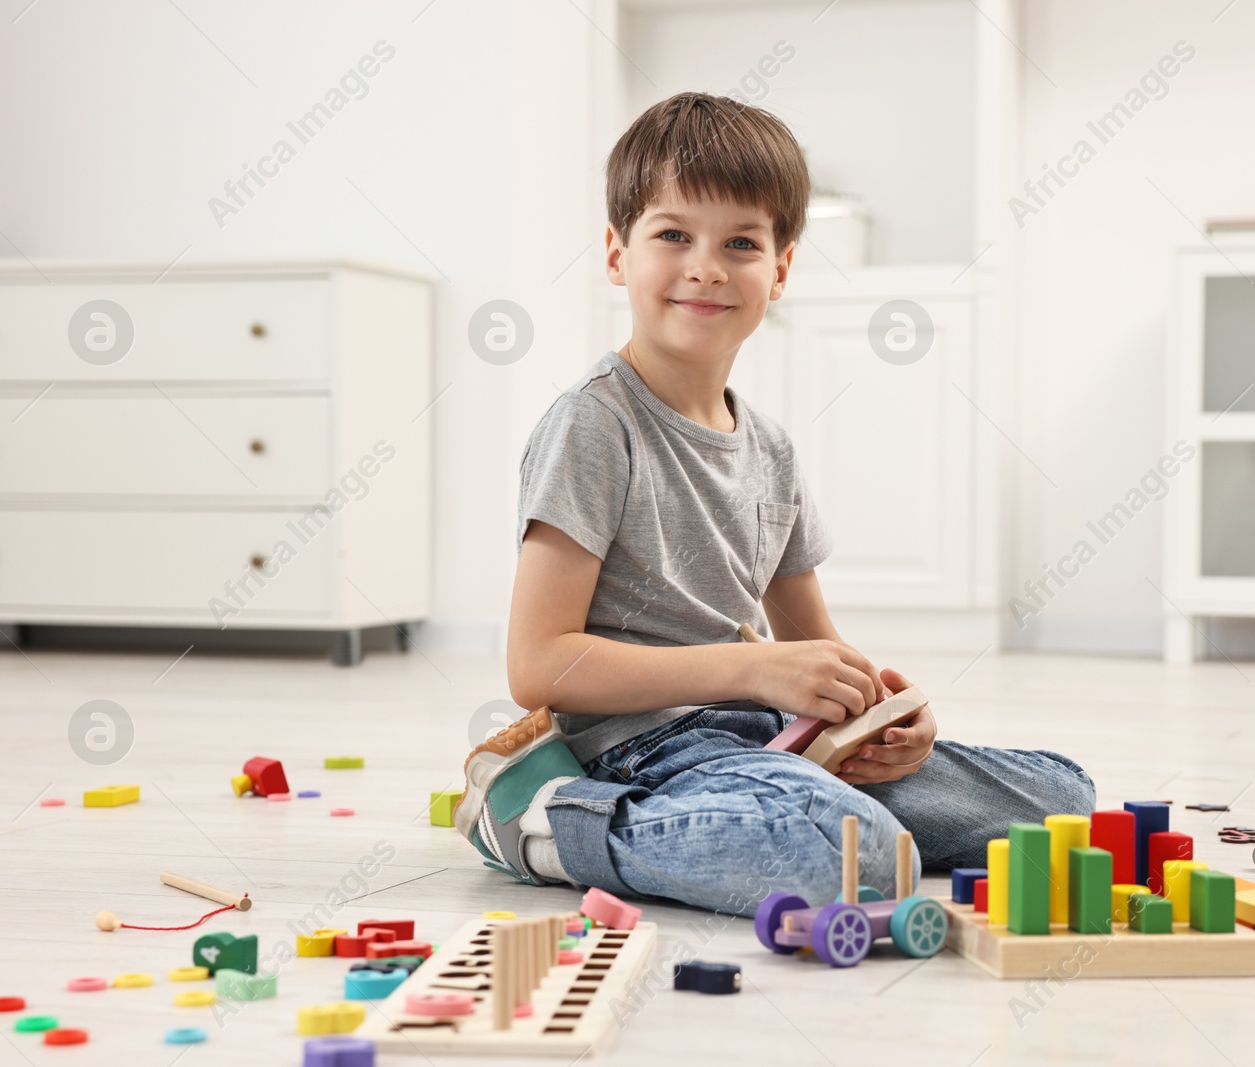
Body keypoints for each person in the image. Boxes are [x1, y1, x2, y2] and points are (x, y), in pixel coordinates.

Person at [455, 91, 1094, 917]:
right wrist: (754, 668)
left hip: (766, 738)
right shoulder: (593, 423)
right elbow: (538, 665)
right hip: (639, 750)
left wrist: (886, 718)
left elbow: (811, 646)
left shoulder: (772, 448)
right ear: (618, 253)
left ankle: (818, 809)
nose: (707, 266)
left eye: (742, 243)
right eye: (674, 235)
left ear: (781, 269)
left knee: (1061, 803)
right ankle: (555, 824)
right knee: (850, 860)